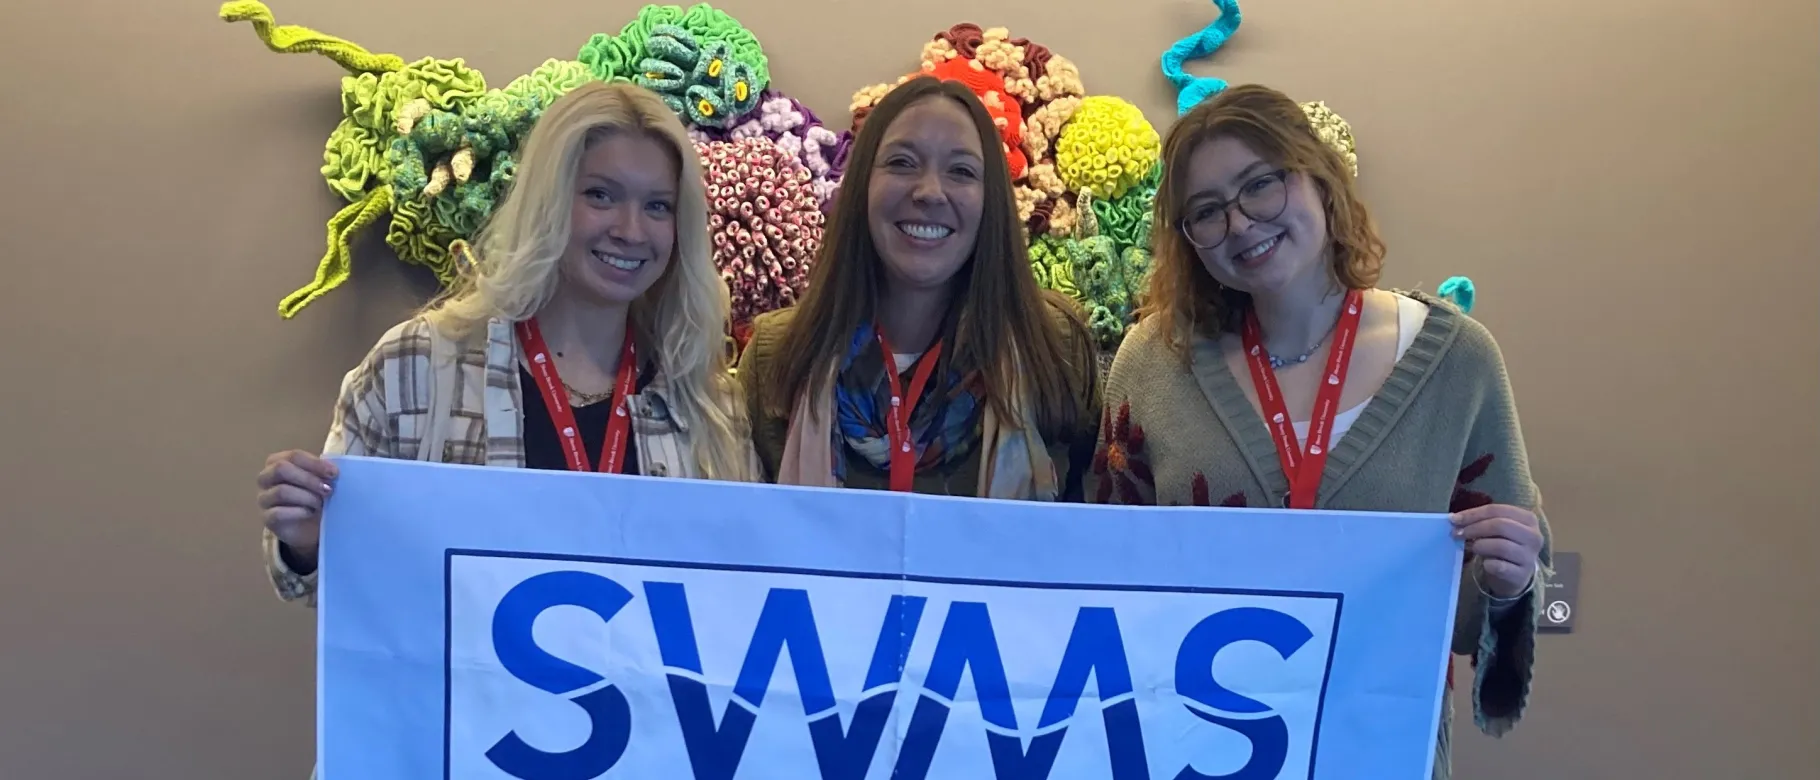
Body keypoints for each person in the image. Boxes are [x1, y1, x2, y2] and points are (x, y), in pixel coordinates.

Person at [1095, 84, 1550, 778]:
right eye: (1206, 212)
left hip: (1379, 753)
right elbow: (1103, 580)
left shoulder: (1457, 363)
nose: (1241, 224)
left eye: (1261, 186)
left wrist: (1512, 587)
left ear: (1320, 177)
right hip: (1189, 753)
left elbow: (1510, 608)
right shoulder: (1155, 364)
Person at [256, 81, 757, 606]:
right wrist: (310, 541)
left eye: (658, 206)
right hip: (462, 690)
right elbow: (328, 589)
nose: (631, 230)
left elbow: (741, 597)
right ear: (549, 200)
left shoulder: (706, 402)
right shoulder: (419, 368)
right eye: (600, 195)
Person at [737, 76, 1100, 500]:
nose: (929, 192)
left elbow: (1092, 544)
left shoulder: (1056, 348)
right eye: (902, 163)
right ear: (860, 187)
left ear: (992, 200)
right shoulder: (776, 356)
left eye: (962, 171)